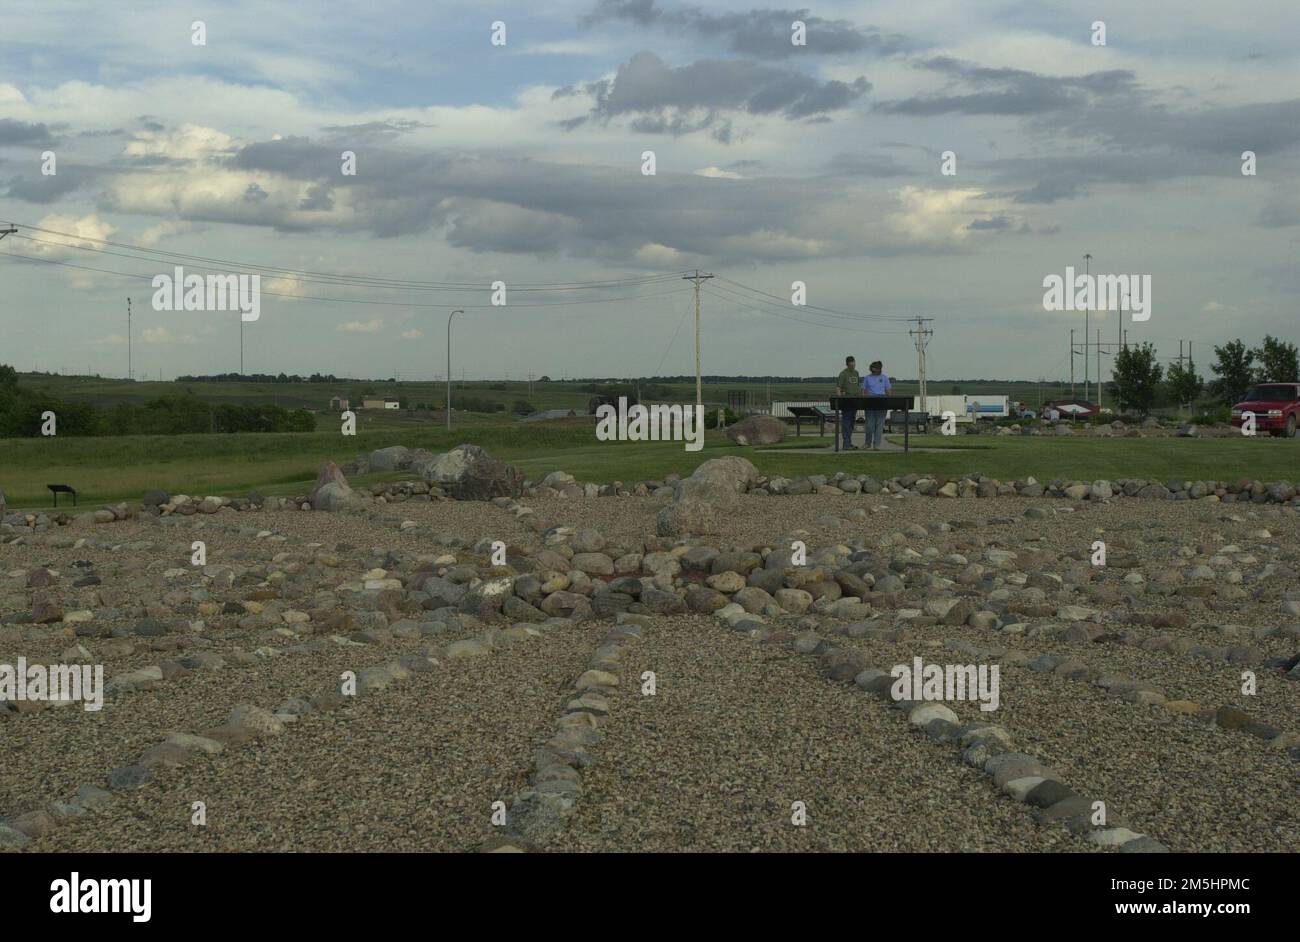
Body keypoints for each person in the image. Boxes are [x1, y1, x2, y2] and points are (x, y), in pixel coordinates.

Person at [861, 360, 891, 450]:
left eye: (879, 368)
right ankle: (867, 443)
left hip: (881, 403)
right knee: (869, 425)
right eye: (876, 368)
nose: (878, 370)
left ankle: (876, 444)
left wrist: (888, 400)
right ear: (872, 368)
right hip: (870, 403)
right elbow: (862, 391)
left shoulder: (885, 378)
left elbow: (888, 392)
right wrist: (865, 397)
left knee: (880, 425)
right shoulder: (867, 378)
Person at [835, 355, 861, 449]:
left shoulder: (856, 373)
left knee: (851, 423)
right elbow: (838, 388)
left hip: (855, 401)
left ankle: (848, 442)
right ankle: (846, 444)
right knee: (846, 422)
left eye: (854, 364)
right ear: (847, 364)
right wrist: (839, 399)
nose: (853, 366)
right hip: (846, 401)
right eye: (851, 365)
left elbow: (857, 386)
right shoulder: (843, 374)